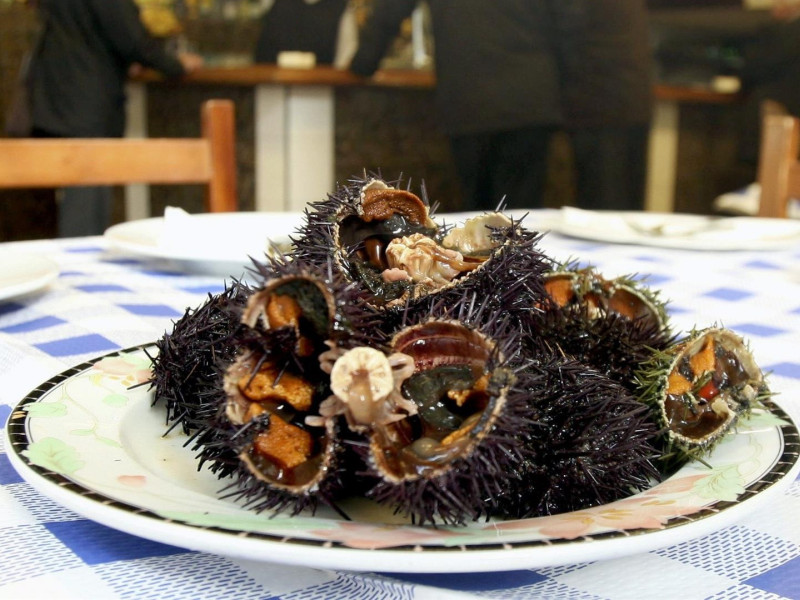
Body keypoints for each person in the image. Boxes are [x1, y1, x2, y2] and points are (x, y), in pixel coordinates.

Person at [349, 0, 582, 211]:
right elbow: (571, 23)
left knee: (476, 217)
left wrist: (361, 64)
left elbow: (389, 11)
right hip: (528, 97)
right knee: (520, 216)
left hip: (469, 95)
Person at [27, 0, 203, 238]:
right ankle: (81, 270)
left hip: (56, 95)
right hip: (86, 102)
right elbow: (131, 38)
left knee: (73, 202)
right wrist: (175, 64)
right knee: (85, 208)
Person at [561, 0, 653, 212]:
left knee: (601, 209)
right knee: (627, 207)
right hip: (633, 100)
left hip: (598, 101)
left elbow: (567, 34)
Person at [737, 0, 800, 167]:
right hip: (784, 125)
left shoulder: (777, 33)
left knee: (770, 175)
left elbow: (750, 71)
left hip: (775, 118)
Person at [253, 0, 356, 68]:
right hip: (273, 88)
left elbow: (346, 56)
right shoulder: (279, 5)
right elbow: (262, 53)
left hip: (323, 90)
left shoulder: (339, 6)